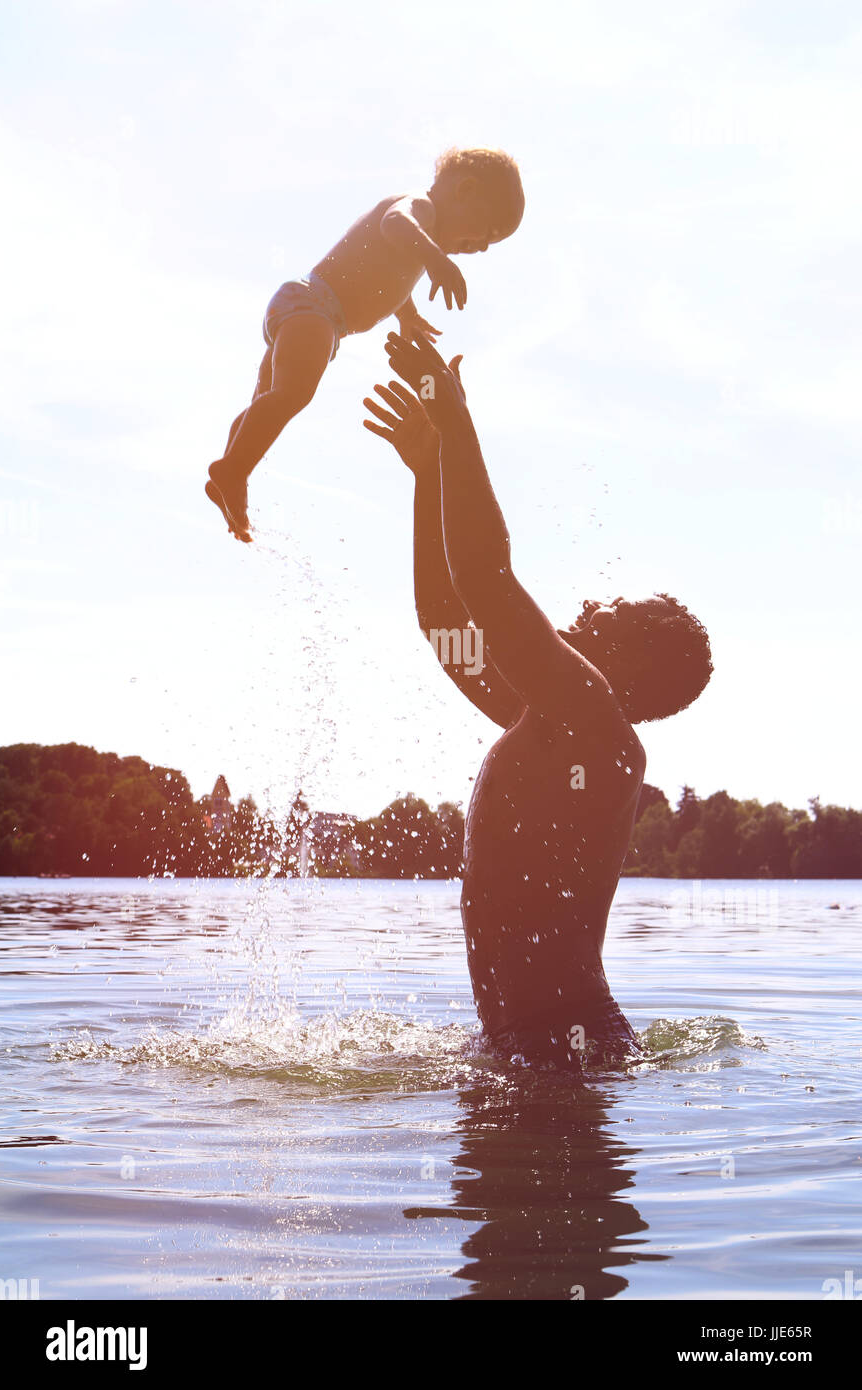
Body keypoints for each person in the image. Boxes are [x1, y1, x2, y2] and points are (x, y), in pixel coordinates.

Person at [363, 334, 713, 1069]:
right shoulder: (558, 721)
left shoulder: (591, 717)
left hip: (558, 1050)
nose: (591, 602)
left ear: (632, 661)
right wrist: (430, 474)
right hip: (537, 1048)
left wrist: (456, 425)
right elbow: (447, 622)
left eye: (613, 611)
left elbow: (487, 581)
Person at [206, 147, 524, 542]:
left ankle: (232, 472)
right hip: (313, 307)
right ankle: (233, 470)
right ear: (466, 190)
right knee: (292, 394)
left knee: (268, 401)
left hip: (309, 311)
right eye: (487, 232)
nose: (482, 248)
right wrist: (437, 258)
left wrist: (407, 315)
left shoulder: (418, 243)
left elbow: (386, 274)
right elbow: (395, 225)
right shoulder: (418, 209)